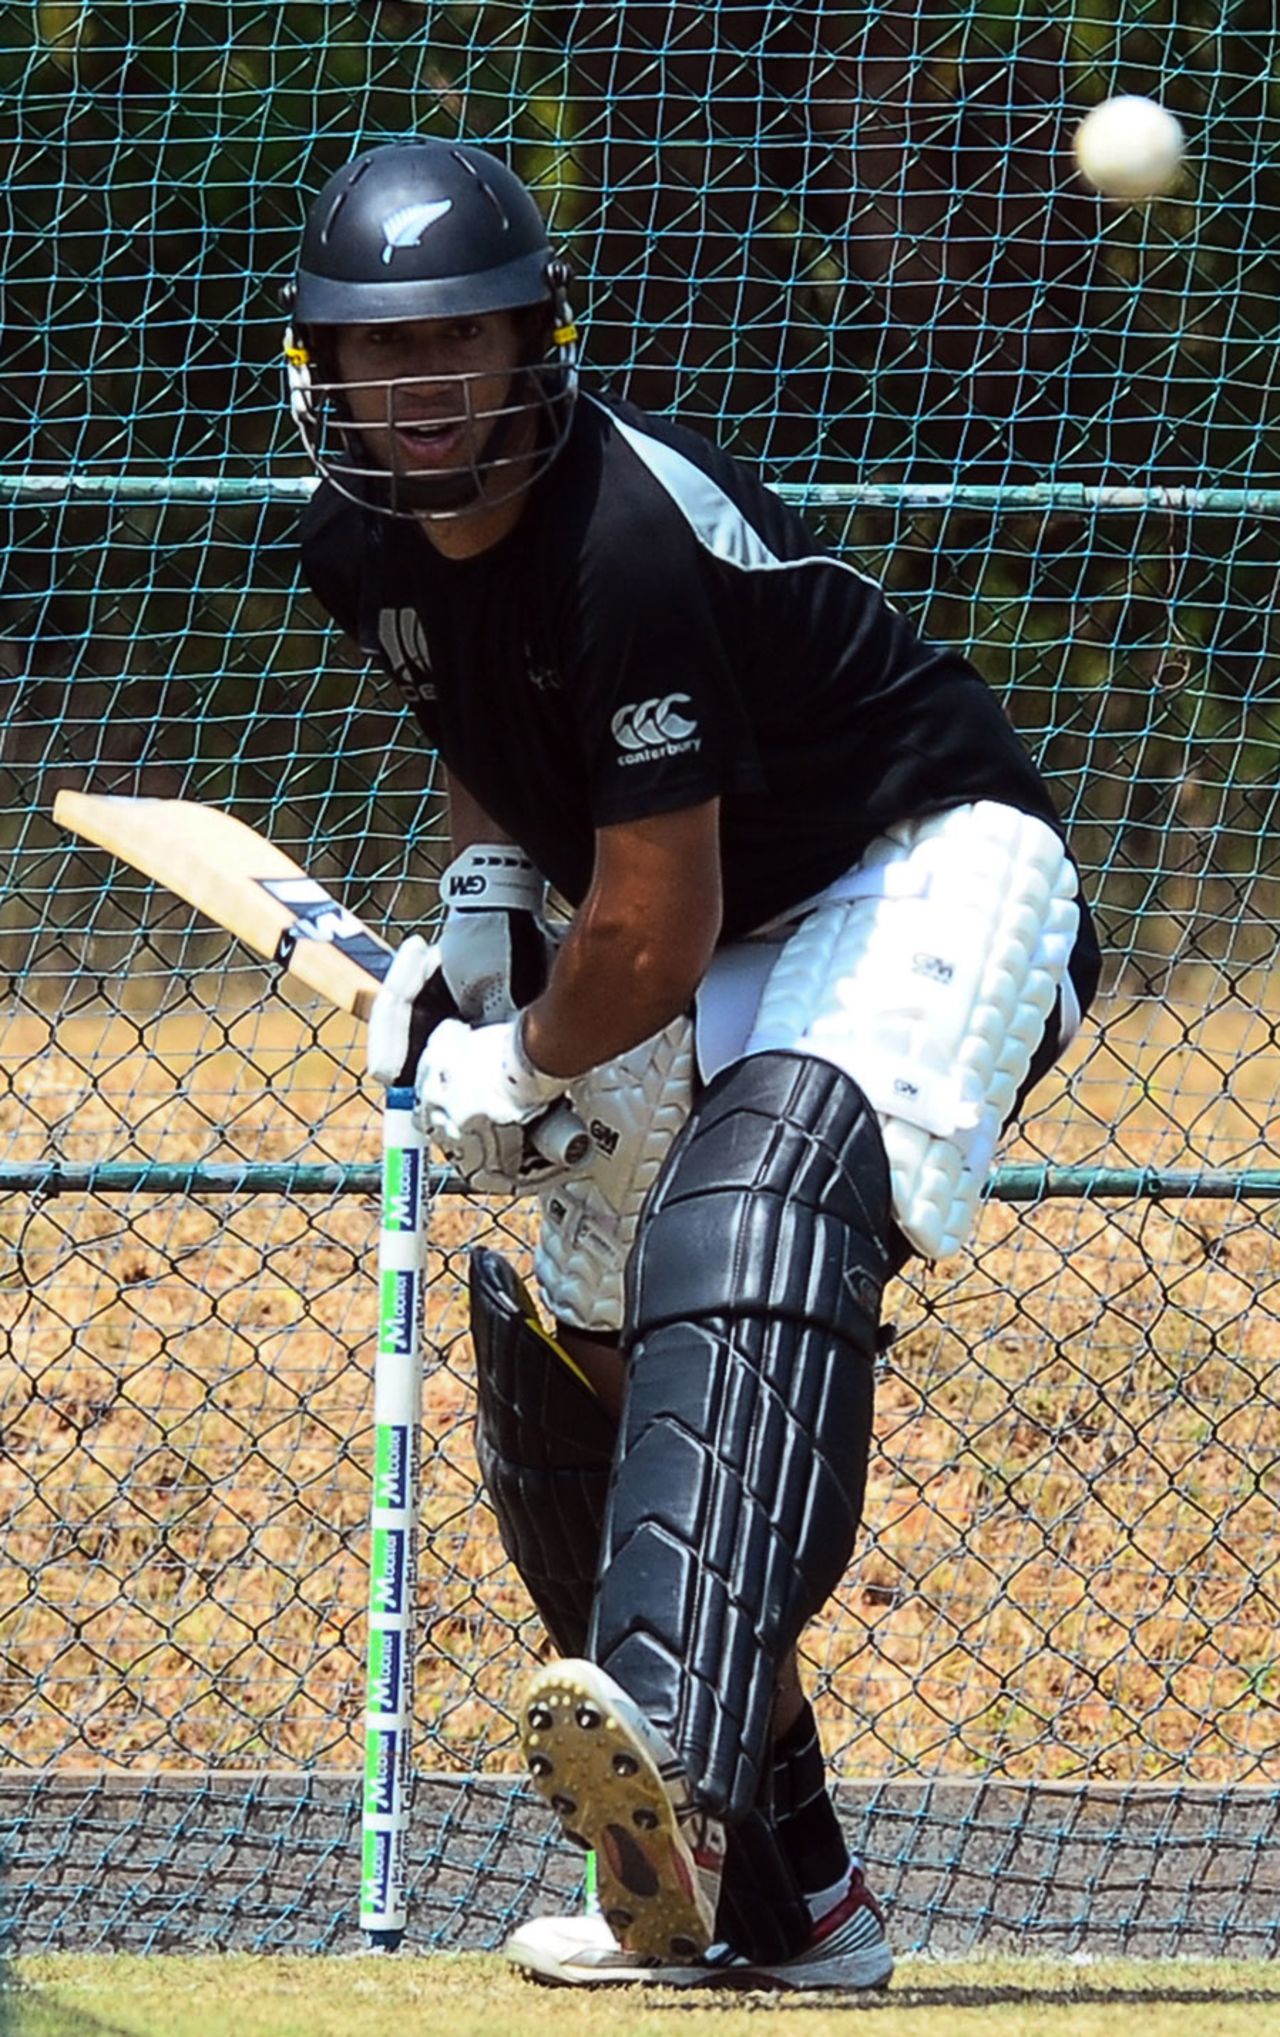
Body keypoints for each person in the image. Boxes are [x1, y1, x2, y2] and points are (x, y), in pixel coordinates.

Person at [286, 138, 1100, 1991]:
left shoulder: (627, 540)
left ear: (532, 349)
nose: (423, 394)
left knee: (757, 1218)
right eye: (382, 356)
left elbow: (648, 935)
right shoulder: (352, 543)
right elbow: (486, 719)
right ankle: (769, 1900)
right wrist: (488, 904)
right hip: (710, 912)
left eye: (465, 347)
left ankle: (683, 1781)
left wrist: (510, 1063)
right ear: (319, 372)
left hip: (917, 861)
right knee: (580, 1354)